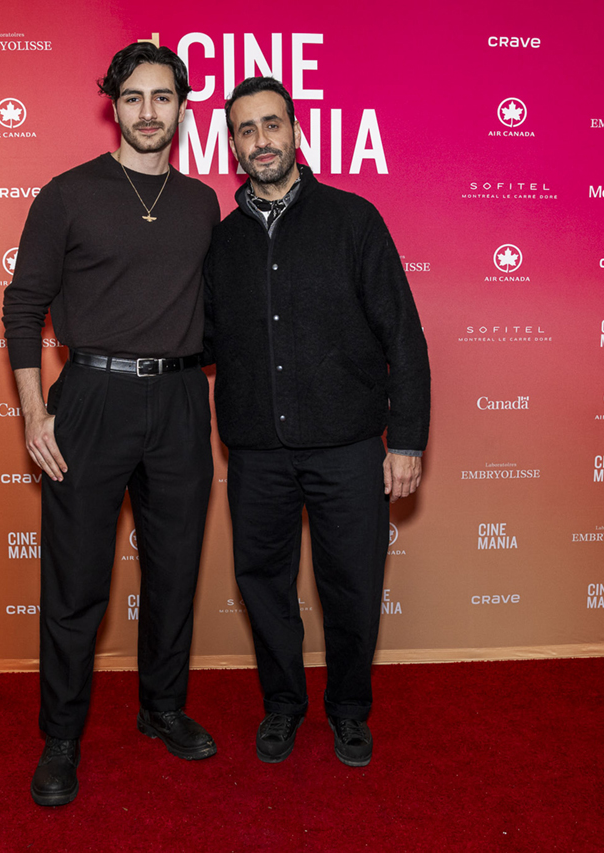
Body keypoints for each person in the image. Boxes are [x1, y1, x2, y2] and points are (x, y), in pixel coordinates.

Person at [2, 42, 221, 807]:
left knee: (174, 568)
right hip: (90, 398)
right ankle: (61, 737)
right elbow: (23, 306)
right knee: (76, 581)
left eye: (163, 98)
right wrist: (35, 411)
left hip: (181, 399)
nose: (148, 112)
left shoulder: (202, 203)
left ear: (182, 108)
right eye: (133, 98)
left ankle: (162, 707)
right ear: (114, 105)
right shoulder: (67, 194)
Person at [203, 76, 430, 767]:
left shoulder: (353, 220)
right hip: (258, 454)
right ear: (234, 145)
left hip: (348, 449)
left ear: (296, 132)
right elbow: (205, 339)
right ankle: (283, 705)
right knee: (263, 585)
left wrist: (408, 439)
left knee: (353, 585)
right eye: (246, 129)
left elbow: (405, 337)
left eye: (272, 124)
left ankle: (350, 710)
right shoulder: (222, 242)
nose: (261, 140)